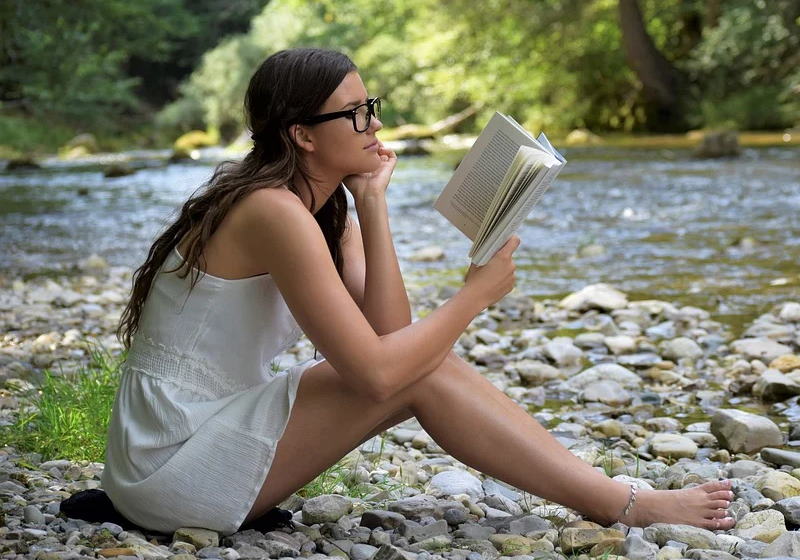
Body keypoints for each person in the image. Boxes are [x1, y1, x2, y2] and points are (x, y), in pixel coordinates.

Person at [102, 47, 735, 536]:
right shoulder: (271, 210)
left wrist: (372, 204)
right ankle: (623, 504)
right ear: (303, 134)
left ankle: (615, 498)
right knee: (424, 370)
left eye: (371, 105)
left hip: (204, 435)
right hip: (169, 462)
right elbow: (379, 374)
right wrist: (472, 298)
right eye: (356, 114)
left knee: (425, 364)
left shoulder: (322, 212)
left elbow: (391, 336)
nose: (375, 123)